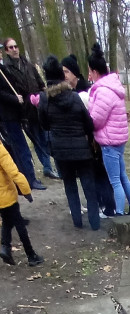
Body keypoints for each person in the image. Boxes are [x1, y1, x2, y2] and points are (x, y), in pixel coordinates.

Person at [38, 56, 99, 231]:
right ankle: (95, 223)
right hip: (81, 149)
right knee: (88, 185)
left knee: (70, 185)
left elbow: (44, 124)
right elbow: (88, 123)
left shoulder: (44, 99)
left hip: (60, 150)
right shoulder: (74, 97)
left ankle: (77, 222)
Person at [60, 53, 115, 218]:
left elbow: (94, 118)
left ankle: (108, 205)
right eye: (62, 72)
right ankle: (99, 203)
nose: (64, 75)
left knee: (100, 173)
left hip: (93, 140)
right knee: (92, 174)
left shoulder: (86, 90)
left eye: (66, 71)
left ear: (75, 73)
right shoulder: (69, 91)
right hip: (83, 140)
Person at [87, 43, 130, 216]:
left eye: (89, 72)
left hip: (109, 143)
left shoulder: (103, 91)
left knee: (115, 181)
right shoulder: (113, 87)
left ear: (95, 72)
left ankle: (119, 214)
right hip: (119, 140)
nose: (88, 75)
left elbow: (96, 121)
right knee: (123, 176)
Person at [2, 38, 59, 181]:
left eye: (16, 46)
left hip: (38, 105)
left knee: (46, 136)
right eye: (11, 47)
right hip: (25, 109)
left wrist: (44, 93)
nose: (14, 49)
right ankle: (46, 167)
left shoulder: (27, 64)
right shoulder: (7, 68)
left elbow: (39, 82)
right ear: (6, 50)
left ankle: (50, 166)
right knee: (37, 139)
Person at [0, 61, 44, 190]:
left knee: (21, 148)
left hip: (15, 114)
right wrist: (14, 99)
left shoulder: (4, 68)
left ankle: (27, 178)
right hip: (7, 117)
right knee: (20, 149)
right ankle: (28, 179)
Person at [0, 139, 42, 267]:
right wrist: (26, 190)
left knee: (7, 221)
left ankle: (5, 247)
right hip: (5, 195)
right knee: (19, 224)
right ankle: (31, 255)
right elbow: (13, 172)